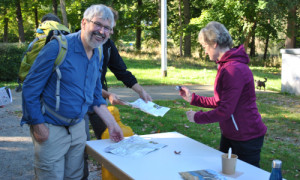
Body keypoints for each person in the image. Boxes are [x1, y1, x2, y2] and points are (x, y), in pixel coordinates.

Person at [21, 5, 123, 179]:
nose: (101, 31)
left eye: (107, 28)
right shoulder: (57, 48)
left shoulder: (98, 52)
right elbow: (30, 88)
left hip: (77, 128)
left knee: (75, 177)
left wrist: (112, 125)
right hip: (50, 127)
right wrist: (38, 125)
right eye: (97, 24)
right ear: (84, 23)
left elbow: (95, 95)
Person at [179, 21, 267, 167]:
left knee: (246, 176)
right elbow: (222, 101)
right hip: (231, 133)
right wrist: (193, 98)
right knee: (224, 173)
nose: (204, 51)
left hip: (246, 136)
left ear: (214, 43)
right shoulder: (225, 65)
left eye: (204, 46)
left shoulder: (233, 69)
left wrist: (197, 117)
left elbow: (225, 111)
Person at [87, 7, 152, 140]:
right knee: (81, 139)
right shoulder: (82, 44)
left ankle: (103, 160)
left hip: (98, 95)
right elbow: (84, 81)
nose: (110, 32)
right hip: (78, 99)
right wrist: (108, 94)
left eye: (110, 28)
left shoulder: (108, 45)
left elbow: (121, 71)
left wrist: (141, 91)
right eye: (108, 27)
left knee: (105, 135)